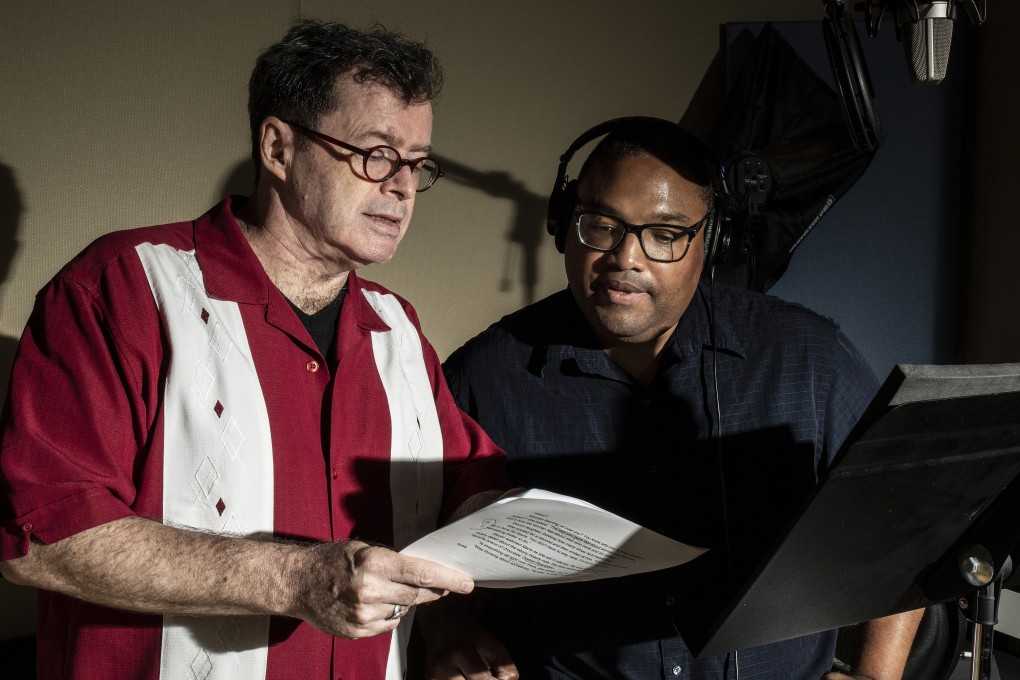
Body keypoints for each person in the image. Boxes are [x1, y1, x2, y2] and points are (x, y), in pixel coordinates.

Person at [0, 19, 510, 680]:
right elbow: (41, 537)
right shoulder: (122, 287)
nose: (403, 187)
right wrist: (297, 579)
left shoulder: (398, 327)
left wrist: (449, 622)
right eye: (377, 155)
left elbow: (467, 487)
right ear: (279, 147)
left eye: (417, 165)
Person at [428, 117, 923, 680]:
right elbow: (428, 543)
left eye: (664, 235)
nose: (626, 258)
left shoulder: (810, 357)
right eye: (602, 225)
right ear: (565, 224)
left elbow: (907, 515)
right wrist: (449, 631)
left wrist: (878, 676)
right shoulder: (480, 377)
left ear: (709, 243)